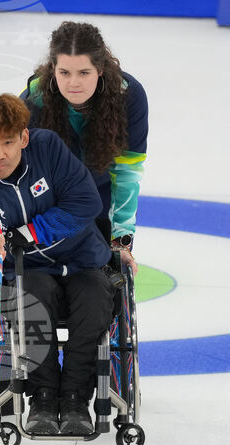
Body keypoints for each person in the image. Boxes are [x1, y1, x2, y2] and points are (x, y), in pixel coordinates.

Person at [0, 93, 114, 436]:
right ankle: (43, 397)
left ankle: (75, 398)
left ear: (24, 138)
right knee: (29, 298)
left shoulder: (48, 150)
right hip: (31, 272)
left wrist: (29, 233)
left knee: (97, 298)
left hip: (82, 261)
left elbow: (85, 202)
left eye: (9, 142)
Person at [21, 21, 147, 275]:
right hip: (47, 209)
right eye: (64, 73)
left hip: (100, 204)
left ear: (100, 69)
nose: (73, 83)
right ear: (52, 68)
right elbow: (20, 171)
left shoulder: (129, 96)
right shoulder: (34, 98)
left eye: (84, 73)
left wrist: (120, 239)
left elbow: (127, 174)